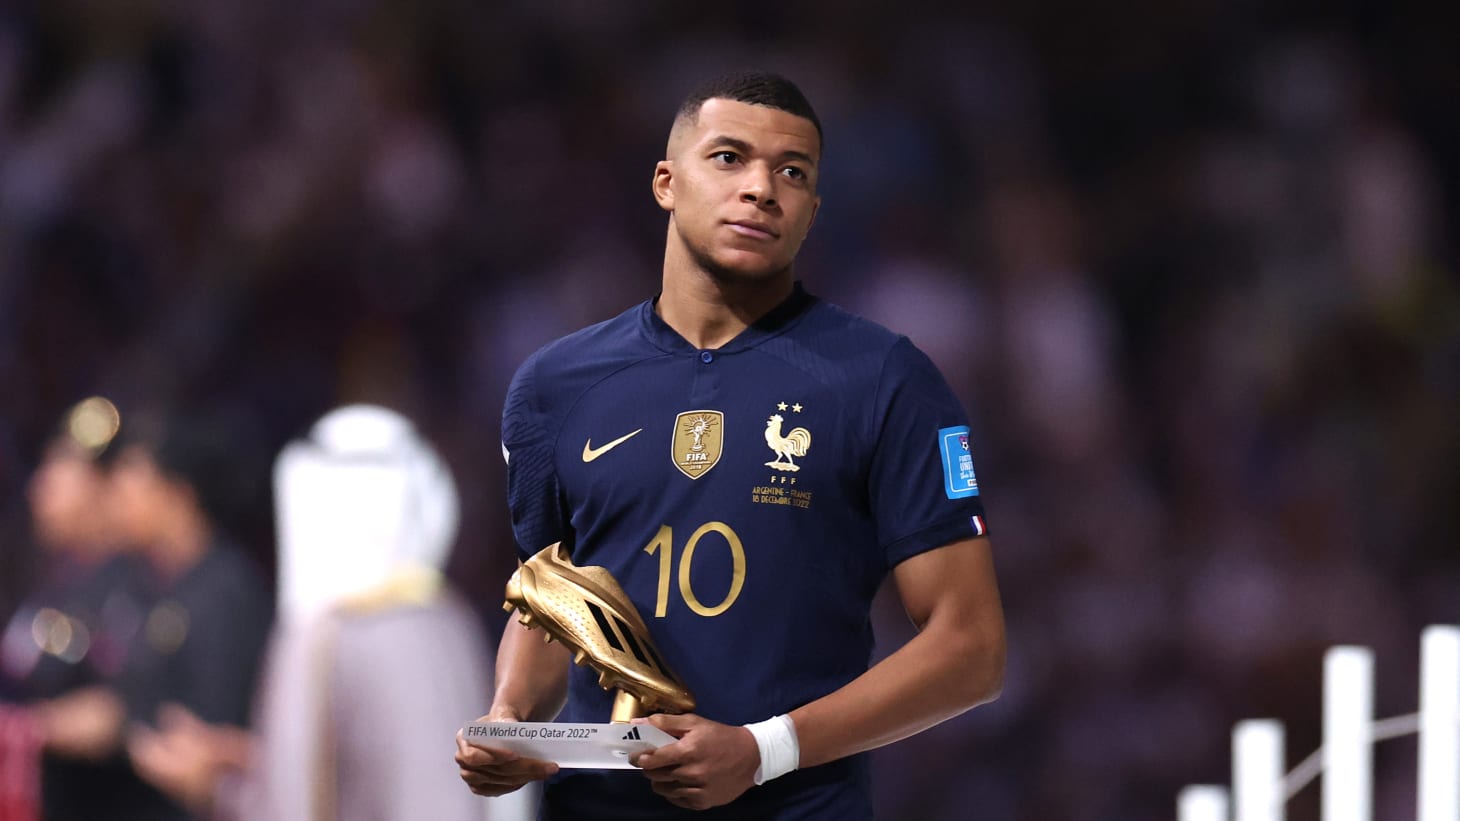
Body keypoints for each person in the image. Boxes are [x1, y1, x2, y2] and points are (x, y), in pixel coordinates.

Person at [457, 71, 1006, 819]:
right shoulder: (552, 387)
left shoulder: (886, 380)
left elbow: (972, 648)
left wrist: (763, 750)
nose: (761, 189)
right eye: (729, 158)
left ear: (813, 211)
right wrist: (512, 717)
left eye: (793, 173)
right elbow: (552, 600)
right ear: (666, 182)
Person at [127, 404, 534, 821]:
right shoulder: (447, 619)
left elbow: (302, 806)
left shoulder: (333, 635)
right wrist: (247, 760)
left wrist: (213, 789)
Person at [107, 409, 275, 820]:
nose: (117, 499)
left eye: (132, 482)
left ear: (177, 494)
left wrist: (130, 732)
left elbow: (215, 730)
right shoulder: (142, 581)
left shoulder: (226, 591)